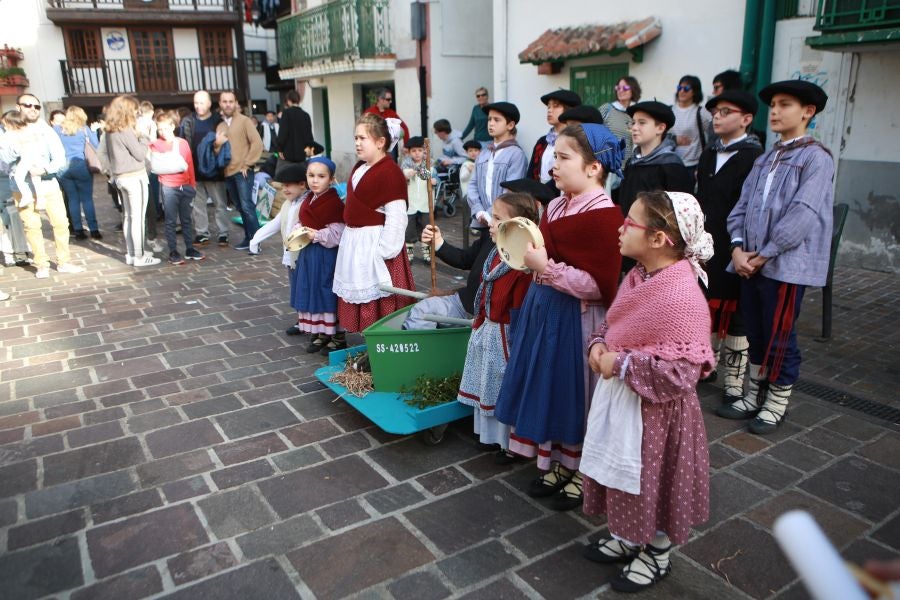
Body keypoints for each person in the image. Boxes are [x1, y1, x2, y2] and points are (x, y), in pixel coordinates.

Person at [580, 190, 715, 593]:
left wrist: (619, 363)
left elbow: (682, 373)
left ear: (658, 239)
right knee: (624, 474)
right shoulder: (639, 276)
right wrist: (599, 343)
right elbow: (616, 324)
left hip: (656, 412)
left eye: (630, 223)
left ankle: (657, 551)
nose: (620, 228)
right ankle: (627, 535)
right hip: (625, 399)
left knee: (653, 479)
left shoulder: (682, 297)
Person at [494, 124, 624, 512]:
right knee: (550, 385)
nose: (554, 164)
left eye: (564, 157)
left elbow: (600, 285)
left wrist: (546, 268)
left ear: (593, 168)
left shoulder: (604, 215)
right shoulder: (555, 205)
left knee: (576, 391)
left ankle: (584, 469)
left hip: (577, 317)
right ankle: (560, 464)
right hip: (544, 308)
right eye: (555, 155)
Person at [717, 80, 834, 435]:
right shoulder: (765, 158)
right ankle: (755, 393)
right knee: (754, 329)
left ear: (808, 112)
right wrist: (737, 248)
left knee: (779, 334)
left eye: (786, 104)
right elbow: (740, 208)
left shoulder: (816, 158)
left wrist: (764, 254)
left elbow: (803, 212)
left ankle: (777, 400)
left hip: (784, 267)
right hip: (751, 264)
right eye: (774, 105)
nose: (776, 111)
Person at [405, 177, 556, 331]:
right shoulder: (491, 236)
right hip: (468, 303)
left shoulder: (530, 256)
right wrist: (438, 243)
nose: (491, 222)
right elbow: (465, 260)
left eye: (498, 217)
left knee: (421, 312)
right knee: (420, 311)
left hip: (487, 321)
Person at [457, 192, 538, 458]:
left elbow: (518, 310)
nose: (490, 223)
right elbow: (485, 290)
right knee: (485, 380)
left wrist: (513, 344)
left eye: (497, 218)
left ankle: (507, 442)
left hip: (504, 334)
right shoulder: (495, 254)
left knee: (500, 382)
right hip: (488, 328)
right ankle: (487, 435)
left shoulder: (521, 267)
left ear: (517, 227)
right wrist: (480, 320)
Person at [695, 91, 763, 395]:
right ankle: (705, 365)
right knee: (703, 305)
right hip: (706, 243)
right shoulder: (709, 152)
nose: (717, 117)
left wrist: (741, 247)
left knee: (736, 315)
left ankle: (734, 384)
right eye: (715, 112)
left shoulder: (753, 157)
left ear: (746, 119)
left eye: (725, 111)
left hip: (736, 245)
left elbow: (750, 207)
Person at [332, 114, 416, 332]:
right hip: (356, 241)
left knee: (380, 295)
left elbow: (397, 217)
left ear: (380, 142)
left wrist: (384, 251)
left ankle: (383, 342)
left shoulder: (390, 172)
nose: (357, 143)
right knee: (359, 290)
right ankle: (368, 345)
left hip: (376, 244)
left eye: (363, 138)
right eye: (356, 138)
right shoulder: (360, 167)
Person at [2, 95, 84, 278]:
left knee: (61, 223)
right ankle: (41, 264)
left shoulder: (46, 130)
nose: (33, 109)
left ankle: (64, 261)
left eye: (37, 106)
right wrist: (17, 147)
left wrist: (44, 169)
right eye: (28, 105)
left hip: (48, 183)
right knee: (32, 226)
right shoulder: (6, 130)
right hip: (21, 186)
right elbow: (4, 162)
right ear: (18, 107)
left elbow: (60, 157)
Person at [617, 101, 693, 244]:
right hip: (630, 235)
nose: (634, 128)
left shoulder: (671, 165)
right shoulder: (632, 162)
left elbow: (677, 214)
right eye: (633, 123)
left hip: (656, 241)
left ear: (660, 128)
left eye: (642, 123)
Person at [101, 95, 160, 267]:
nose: (136, 113)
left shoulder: (111, 129)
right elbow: (140, 154)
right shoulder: (124, 129)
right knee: (138, 218)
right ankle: (139, 256)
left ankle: (132, 253)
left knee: (128, 216)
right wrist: (144, 137)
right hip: (134, 176)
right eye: (134, 110)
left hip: (121, 178)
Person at [150, 110, 204, 265]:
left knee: (187, 219)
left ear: (172, 126)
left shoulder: (182, 143)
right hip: (168, 186)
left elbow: (190, 165)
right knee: (171, 221)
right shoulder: (155, 144)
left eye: (166, 128)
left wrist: (192, 185)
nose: (163, 132)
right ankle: (173, 250)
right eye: (160, 129)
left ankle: (189, 248)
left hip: (185, 185)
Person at [466, 101, 528, 231]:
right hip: (482, 219)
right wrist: (478, 210)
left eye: (496, 120)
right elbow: (472, 184)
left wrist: (490, 213)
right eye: (489, 119)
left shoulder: (516, 154)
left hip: (503, 222)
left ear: (510, 125)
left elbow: (510, 191)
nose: (491, 123)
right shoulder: (483, 154)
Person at [180, 90, 229, 247]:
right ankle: (202, 233)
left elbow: (225, 143)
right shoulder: (188, 121)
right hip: (194, 170)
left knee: (220, 203)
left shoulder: (217, 120)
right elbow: (183, 144)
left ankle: (223, 233)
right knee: (198, 204)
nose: (198, 106)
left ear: (209, 103)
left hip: (215, 171)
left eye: (201, 102)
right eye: (196, 103)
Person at [217, 90, 264, 252]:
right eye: (225, 101)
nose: (228, 104)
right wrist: (217, 144)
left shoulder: (244, 121)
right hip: (228, 173)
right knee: (240, 207)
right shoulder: (221, 125)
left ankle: (256, 241)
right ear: (220, 104)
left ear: (236, 103)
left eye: (231, 101)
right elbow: (217, 151)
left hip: (243, 171)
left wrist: (248, 164)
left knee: (247, 206)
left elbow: (257, 143)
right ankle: (248, 238)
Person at [55, 106, 101, 240]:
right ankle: (94, 230)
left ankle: (78, 230)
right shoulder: (84, 129)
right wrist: (93, 132)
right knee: (87, 199)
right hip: (80, 165)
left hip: (63, 167)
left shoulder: (58, 130)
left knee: (72, 199)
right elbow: (96, 146)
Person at [528, 89, 582, 190]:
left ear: (569, 109)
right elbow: (530, 173)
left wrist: (543, 192)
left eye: (555, 106)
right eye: (548, 106)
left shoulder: (575, 141)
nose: (549, 110)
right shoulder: (542, 141)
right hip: (538, 198)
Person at [600, 76, 641, 190]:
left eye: (625, 87)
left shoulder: (635, 114)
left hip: (626, 168)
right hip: (608, 167)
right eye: (618, 87)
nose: (620, 90)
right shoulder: (607, 109)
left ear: (633, 89)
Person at [400, 136, 437, 263]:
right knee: (409, 230)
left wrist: (433, 180)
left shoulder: (429, 166)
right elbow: (402, 177)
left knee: (426, 228)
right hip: (411, 204)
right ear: (409, 152)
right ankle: (408, 253)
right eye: (414, 151)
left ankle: (427, 253)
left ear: (424, 151)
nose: (417, 153)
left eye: (420, 150)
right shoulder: (405, 166)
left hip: (426, 204)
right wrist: (407, 174)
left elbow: (434, 179)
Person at [671, 75, 712, 171]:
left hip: (693, 165)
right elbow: (659, 136)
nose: (681, 91)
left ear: (695, 91)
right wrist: (674, 139)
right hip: (670, 162)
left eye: (686, 88)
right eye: (679, 88)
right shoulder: (670, 110)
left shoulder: (701, 112)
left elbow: (713, 136)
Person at [275, 90, 314, 174]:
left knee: (288, 179)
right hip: (302, 155)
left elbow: (283, 133)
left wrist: (280, 149)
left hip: (288, 155)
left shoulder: (286, 113)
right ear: (299, 100)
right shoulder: (306, 115)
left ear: (288, 101)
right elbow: (309, 136)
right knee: (301, 179)